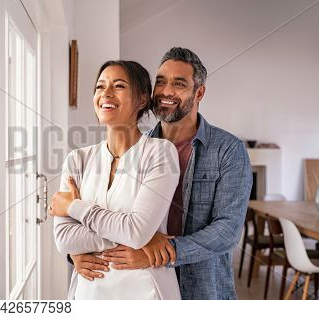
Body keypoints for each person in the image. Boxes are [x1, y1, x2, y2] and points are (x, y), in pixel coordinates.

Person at [69, 48, 253, 300]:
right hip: (141, 284)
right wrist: (76, 252)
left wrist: (165, 251)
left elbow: (228, 230)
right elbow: (110, 215)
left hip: (202, 287)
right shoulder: (136, 149)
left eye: (179, 84)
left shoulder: (228, 150)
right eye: (160, 82)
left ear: (199, 92)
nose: (166, 91)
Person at [50, 60, 181, 299]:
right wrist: (136, 235)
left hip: (145, 292)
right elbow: (64, 239)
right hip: (89, 293)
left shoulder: (161, 153)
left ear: (141, 100)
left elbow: (136, 231)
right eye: (100, 87)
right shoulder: (77, 160)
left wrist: (73, 207)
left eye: (118, 86)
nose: (106, 94)